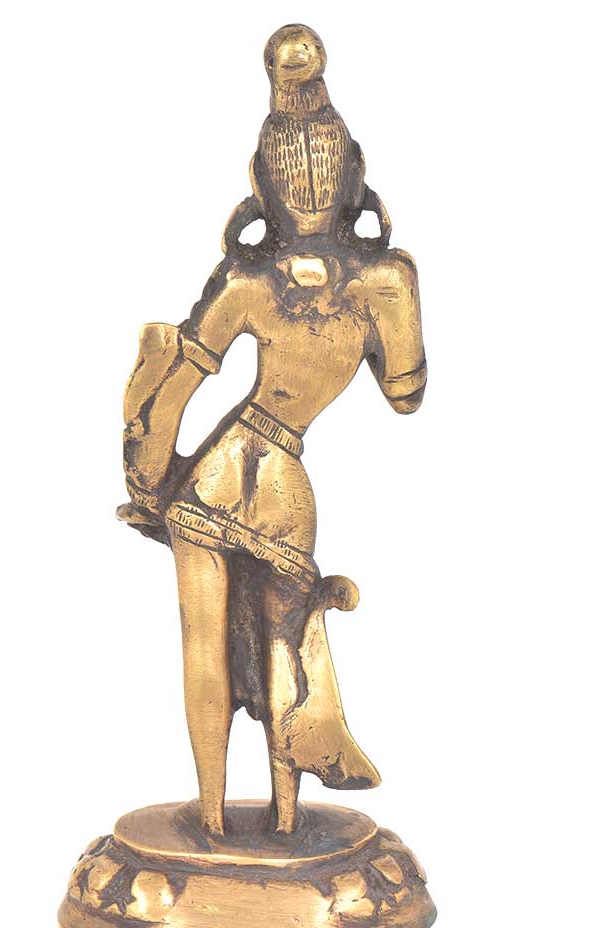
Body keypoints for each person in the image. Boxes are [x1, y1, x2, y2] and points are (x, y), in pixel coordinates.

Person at [118, 25, 426, 836]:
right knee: (284, 645)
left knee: (203, 647)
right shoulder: (387, 282)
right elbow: (406, 393)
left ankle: (214, 821)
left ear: (260, 186)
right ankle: (286, 823)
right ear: (356, 178)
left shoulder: (247, 280)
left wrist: (147, 478)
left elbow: (174, 391)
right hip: (285, 483)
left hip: (217, 473)